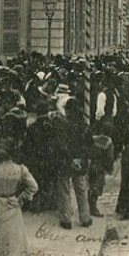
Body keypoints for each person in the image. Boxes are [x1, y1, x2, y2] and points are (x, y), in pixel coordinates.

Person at [56, 97, 93, 229]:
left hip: (66, 161)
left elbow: (62, 145)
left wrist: (71, 159)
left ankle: (66, 220)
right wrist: (81, 159)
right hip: (81, 161)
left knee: (65, 190)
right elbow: (88, 146)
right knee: (81, 190)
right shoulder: (85, 126)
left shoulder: (63, 125)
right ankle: (85, 218)